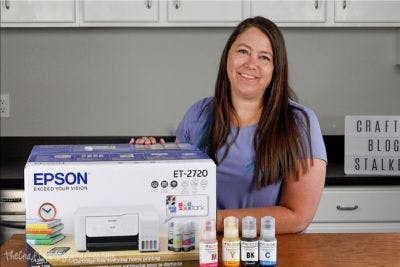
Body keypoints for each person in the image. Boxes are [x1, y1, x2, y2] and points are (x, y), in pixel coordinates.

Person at [130, 16, 327, 234]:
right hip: (204, 247)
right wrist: (149, 160)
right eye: (243, 51)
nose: (251, 64)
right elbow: (174, 191)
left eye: (264, 57)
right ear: (227, 57)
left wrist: (218, 220)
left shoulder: (299, 123)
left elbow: (297, 216)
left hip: (270, 252)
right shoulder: (198, 114)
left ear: (275, 70)